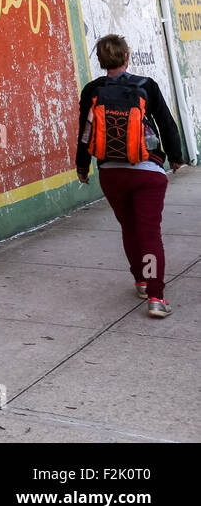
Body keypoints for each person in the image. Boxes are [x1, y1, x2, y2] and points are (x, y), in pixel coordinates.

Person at [76, 34, 186, 318]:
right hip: (148, 172)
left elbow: (85, 133)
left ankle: (140, 281)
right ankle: (156, 297)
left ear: (101, 61)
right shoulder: (146, 85)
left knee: (129, 229)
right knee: (150, 233)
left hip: (111, 173)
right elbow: (166, 123)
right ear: (127, 57)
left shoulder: (92, 90)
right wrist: (175, 157)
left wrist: (81, 165)